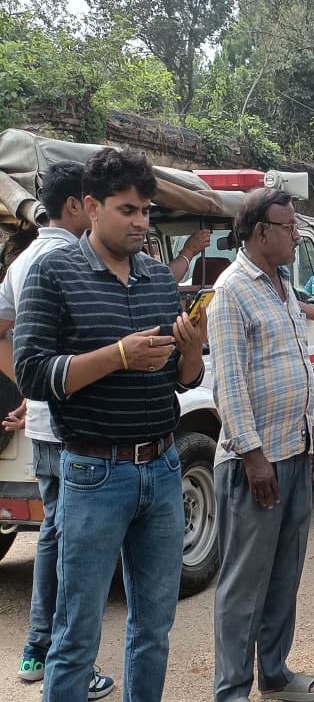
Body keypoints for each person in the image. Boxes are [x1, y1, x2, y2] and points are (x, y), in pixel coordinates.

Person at [14, 147, 207, 702]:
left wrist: (191, 355)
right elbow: (32, 373)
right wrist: (117, 355)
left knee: (154, 628)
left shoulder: (155, 278)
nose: (142, 223)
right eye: (128, 210)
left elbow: (178, 376)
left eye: (146, 210)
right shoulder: (53, 271)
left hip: (164, 469)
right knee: (76, 635)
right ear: (91, 208)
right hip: (94, 474)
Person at [208, 187, 314, 702]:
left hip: (294, 450)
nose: (296, 236)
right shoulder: (232, 290)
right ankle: (231, 690)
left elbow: (295, 363)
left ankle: (274, 675)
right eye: (289, 227)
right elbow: (229, 384)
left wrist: (312, 432)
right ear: (261, 232)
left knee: (284, 575)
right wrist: (255, 458)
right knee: (243, 585)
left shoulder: (281, 286)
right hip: (255, 464)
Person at [0, 161, 114, 699]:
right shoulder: (71, 256)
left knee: (54, 535)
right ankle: (69, 661)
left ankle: (36, 646)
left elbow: (4, 331)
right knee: (78, 546)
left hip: (45, 421)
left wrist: (27, 386)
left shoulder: (21, 261)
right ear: (77, 205)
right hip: (74, 426)